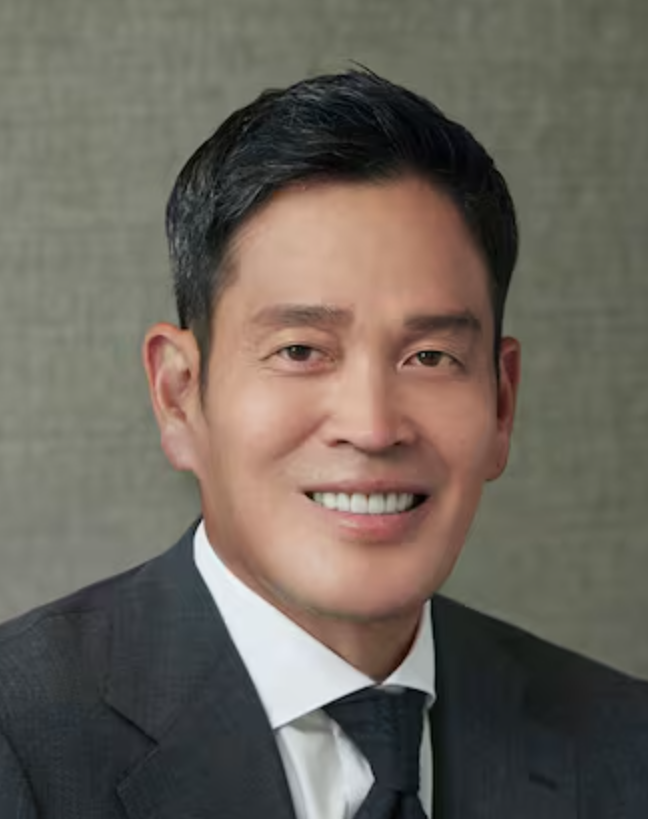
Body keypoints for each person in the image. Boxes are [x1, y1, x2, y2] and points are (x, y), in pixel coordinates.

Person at [0, 69, 646, 818]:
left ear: (502, 403)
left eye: (429, 357)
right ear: (179, 394)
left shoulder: (625, 748)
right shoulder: (21, 741)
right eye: (301, 350)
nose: (371, 427)